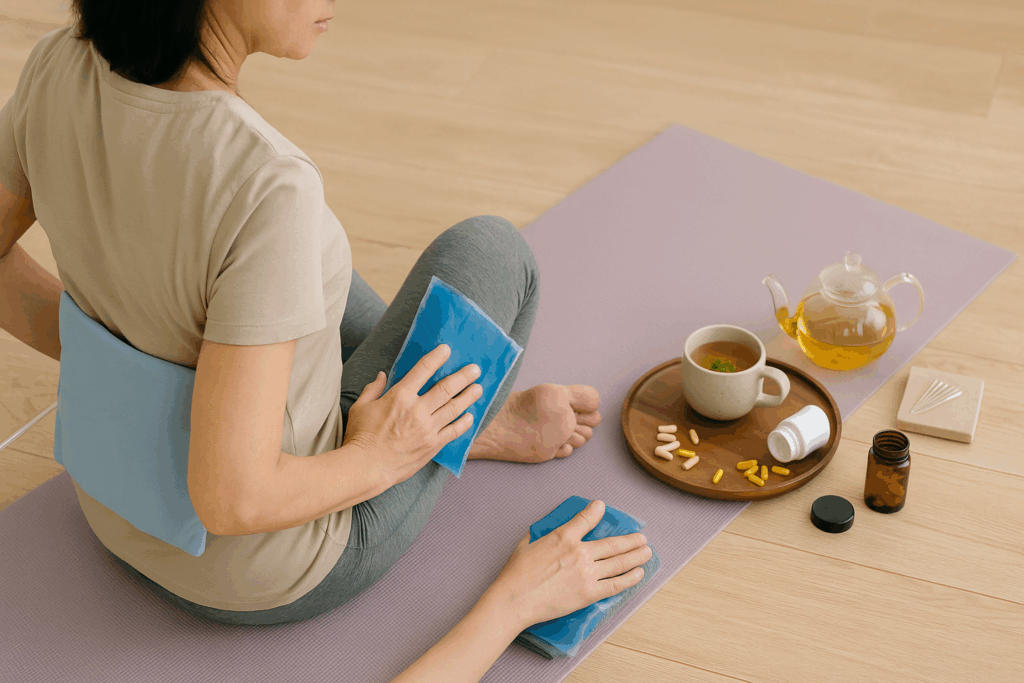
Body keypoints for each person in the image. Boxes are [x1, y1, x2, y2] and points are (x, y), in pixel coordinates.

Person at [0, 1, 651, 680]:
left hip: (112, 508)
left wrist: (110, 360)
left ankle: (466, 431)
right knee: (491, 251)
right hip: (264, 568)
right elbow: (232, 499)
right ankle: (452, 430)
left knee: (299, 270)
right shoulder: (262, 182)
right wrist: (379, 455)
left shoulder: (56, 65)